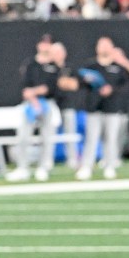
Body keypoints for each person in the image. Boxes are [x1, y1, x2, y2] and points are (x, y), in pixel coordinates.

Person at [76, 36, 129, 180]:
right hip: (94, 107)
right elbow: (78, 82)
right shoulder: (91, 66)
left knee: (111, 139)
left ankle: (109, 165)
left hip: (113, 108)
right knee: (91, 138)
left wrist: (123, 60)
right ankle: (87, 167)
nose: (104, 48)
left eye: (107, 45)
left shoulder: (119, 66)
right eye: (102, 45)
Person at [7, 34, 60, 183]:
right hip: (30, 104)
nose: (45, 46)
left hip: (47, 104)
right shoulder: (30, 64)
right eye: (43, 43)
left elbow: (50, 88)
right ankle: (22, 167)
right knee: (24, 136)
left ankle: (43, 167)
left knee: (46, 137)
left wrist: (35, 92)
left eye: (48, 44)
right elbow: (25, 87)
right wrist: (34, 97)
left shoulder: (53, 66)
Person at [51, 42, 83, 170]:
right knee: (50, 133)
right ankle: (48, 161)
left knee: (70, 132)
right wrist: (61, 83)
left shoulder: (70, 68)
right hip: (52, 105)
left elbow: (75, 85)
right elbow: (51, 84)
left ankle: (72, 159)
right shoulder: (49, 68)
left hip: (68, 104)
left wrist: (62, 82)